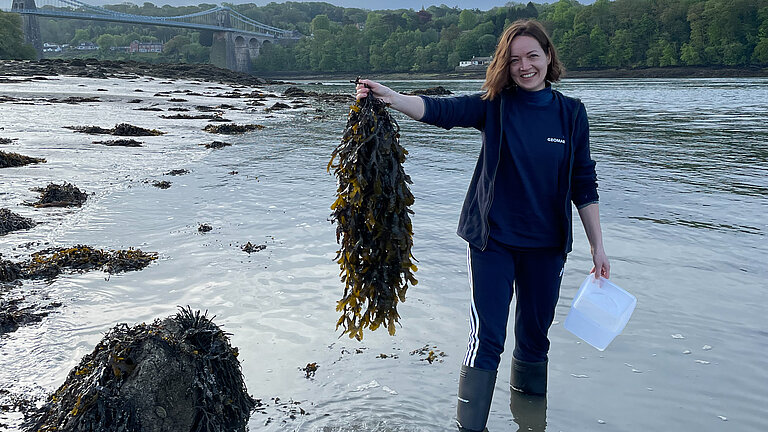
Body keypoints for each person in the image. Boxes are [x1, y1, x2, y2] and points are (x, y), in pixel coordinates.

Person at [356, 19, 609, 432]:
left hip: (547, 247)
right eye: (514, 60)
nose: (525, 67)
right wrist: (391, 97)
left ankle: (530, 422)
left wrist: (598, 246)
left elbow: (584, 181)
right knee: (487, 339)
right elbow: (441, 111)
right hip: (493, 240)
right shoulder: (495, 104)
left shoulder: (571, 113)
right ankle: (469, 427)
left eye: (532, 56)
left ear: (548, 57)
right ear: (504, 66)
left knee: (534, 338)